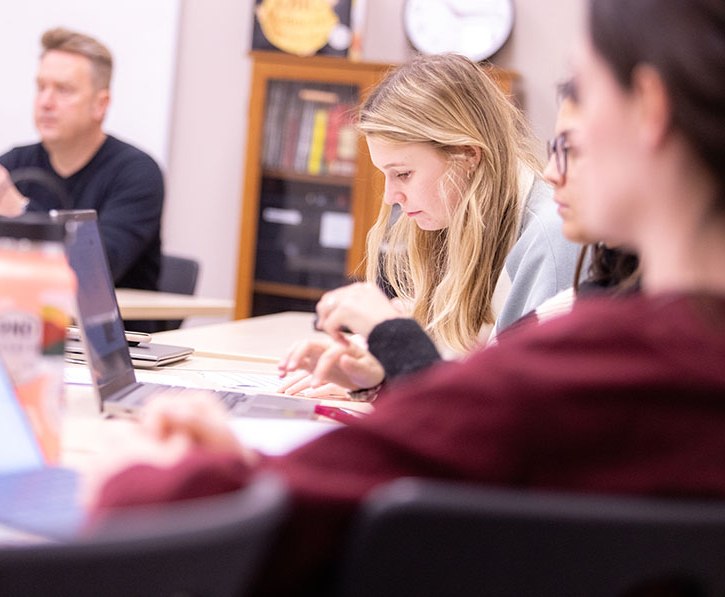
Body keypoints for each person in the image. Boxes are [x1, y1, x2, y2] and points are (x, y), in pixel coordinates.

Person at [84, 0, 725, 593]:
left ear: (648, 108)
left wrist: (145, 465)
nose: (557, 153)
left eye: (581, 90)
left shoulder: (595, 366)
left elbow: (187, 529)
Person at [277, 53, 581, 397]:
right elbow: (463, 386)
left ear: (467, 156)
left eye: (403, 174)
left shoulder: (551, 238)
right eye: (386, 175)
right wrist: (379, 379)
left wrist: (393, 343)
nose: (391, 196)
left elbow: (513, 419)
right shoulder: (462, 216)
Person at [0, 27, 164, 298]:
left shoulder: (137, 173)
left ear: (101, 105)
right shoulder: (15, 163)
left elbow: (98, 271)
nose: (45, 102)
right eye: (41, 87)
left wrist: (20, 210)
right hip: (20, 320)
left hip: (119, 336)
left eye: (64, 90)